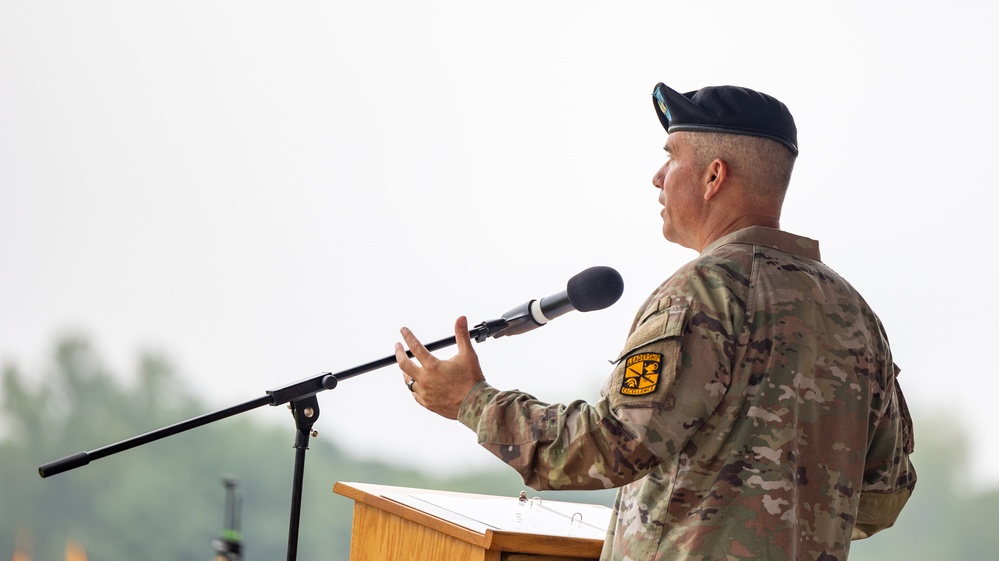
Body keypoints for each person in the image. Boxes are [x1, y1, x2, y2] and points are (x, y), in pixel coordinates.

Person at [394, 82, 916, 561]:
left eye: (671, 157)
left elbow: (608, 446)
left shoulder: (703, 293)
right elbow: (882, 493)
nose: (657, 177)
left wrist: (472, 402)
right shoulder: (855, 314)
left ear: (714, 177)